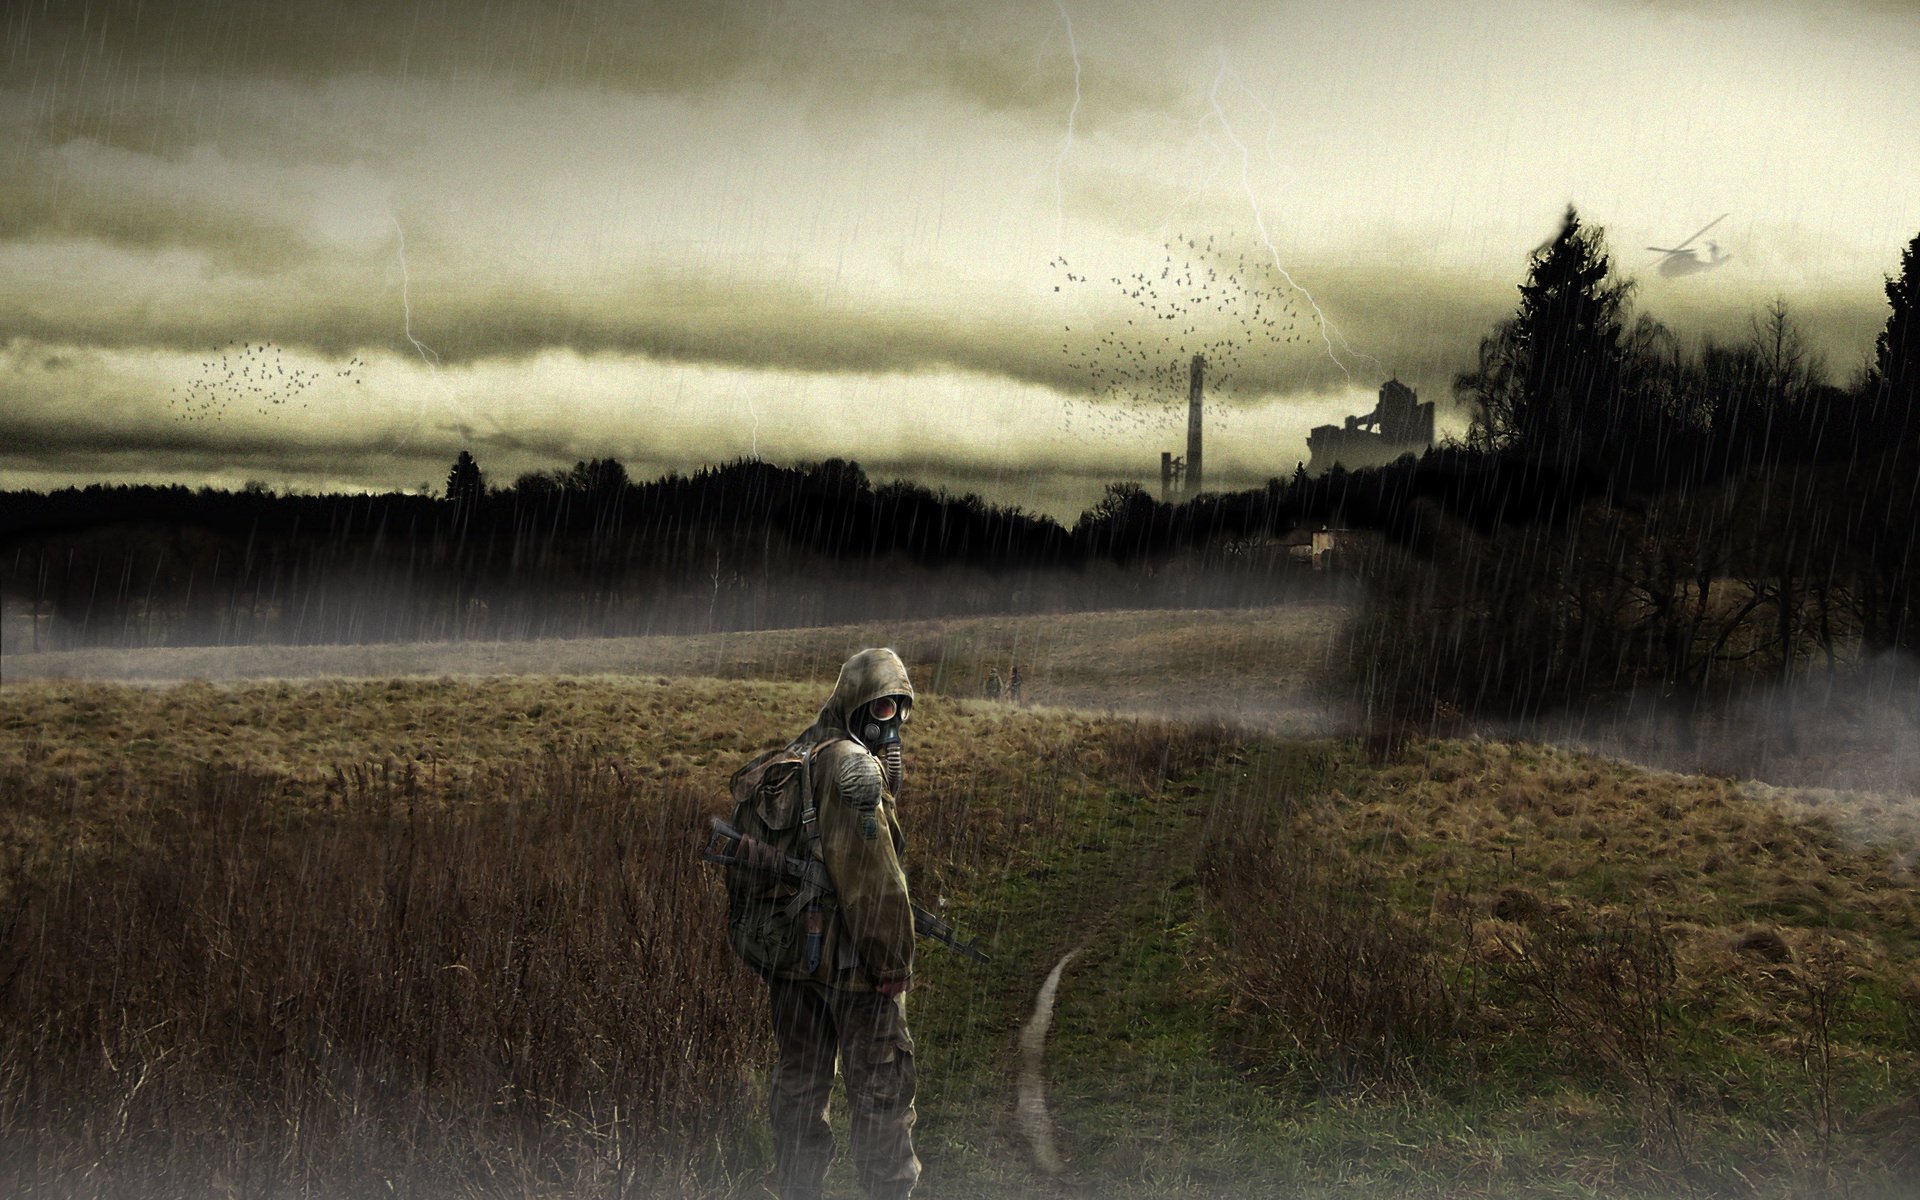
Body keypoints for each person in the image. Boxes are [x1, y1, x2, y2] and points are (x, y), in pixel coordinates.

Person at [762, 648, 920, 1200]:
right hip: (853, 969)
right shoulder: (850, 764)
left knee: (801, 1088)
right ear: (854, 705)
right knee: (881, 1093)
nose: (893, 723)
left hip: (792, 967)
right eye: (881, 710)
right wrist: (894, 965)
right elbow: (875, 883)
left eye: (901, 708)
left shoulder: (803, 749)